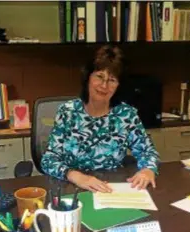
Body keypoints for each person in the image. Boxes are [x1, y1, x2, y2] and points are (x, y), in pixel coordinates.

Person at [41, 45, 160, 192]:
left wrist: (148, 170)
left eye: (112, 80)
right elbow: (49, 159)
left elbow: (147, 151)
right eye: (99, 77)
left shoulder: (126, 115)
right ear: (88, 77)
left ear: (118, 86)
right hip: (71, 189)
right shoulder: (68, 112)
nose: (104, 86)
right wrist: (75, 176)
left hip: (110, 189)